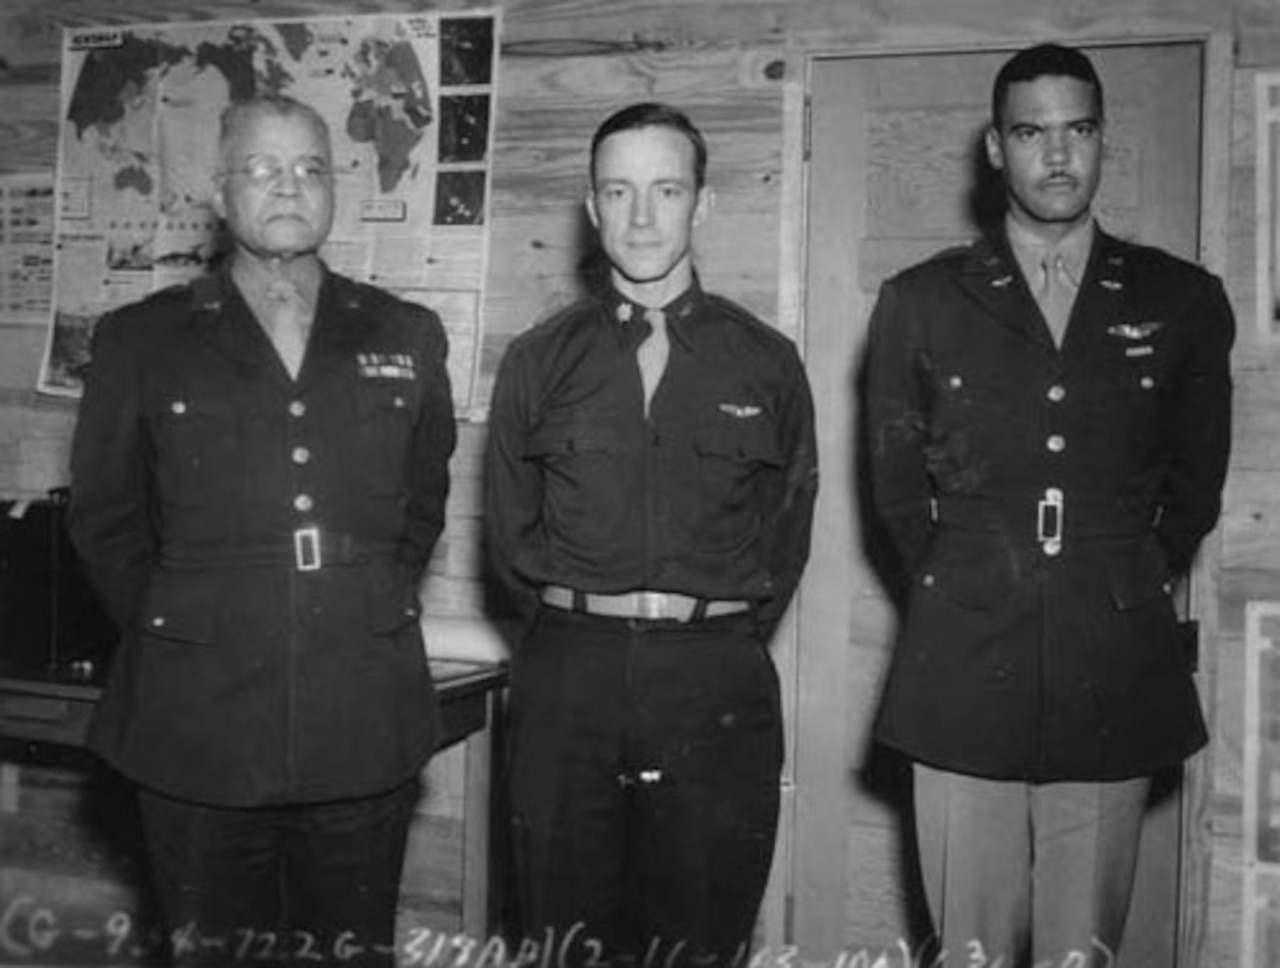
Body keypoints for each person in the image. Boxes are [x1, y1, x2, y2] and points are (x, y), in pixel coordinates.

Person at [866, 43, 1234, 966]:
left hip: (1109, 663)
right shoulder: (922, 301)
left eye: (1078, 130)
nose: (1058, 155)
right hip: (964, 663)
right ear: (996, 148)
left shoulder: (1180, 299)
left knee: (1084, 949)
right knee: (973, 947)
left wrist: (1119, 576)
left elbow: (1194, 485)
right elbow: (897, 489)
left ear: (1104, 140)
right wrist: (970, 582)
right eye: (1032, 132)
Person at [68, 94, 456, 967]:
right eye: (263, 168)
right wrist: (189, 629)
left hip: (361, 709)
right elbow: (105, 521)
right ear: (220, 192)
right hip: (197, 723)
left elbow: (420, 507)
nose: (290, 187)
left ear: (334, 188)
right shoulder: (142, 339)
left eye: (311, 169)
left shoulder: (406, 333)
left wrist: (356, 602)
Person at [484, 102, 818, 966]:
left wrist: (709, 638)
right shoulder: (538, 360)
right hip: (569, 676)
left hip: (713, 682)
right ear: (591, 210)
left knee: (701, 939)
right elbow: (510, 538)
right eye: (618, 192)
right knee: (566, 942)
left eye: (665, 190)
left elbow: (786, 537)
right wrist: (572, 635)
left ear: (702, 204)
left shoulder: (768, 363)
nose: (641, 217)